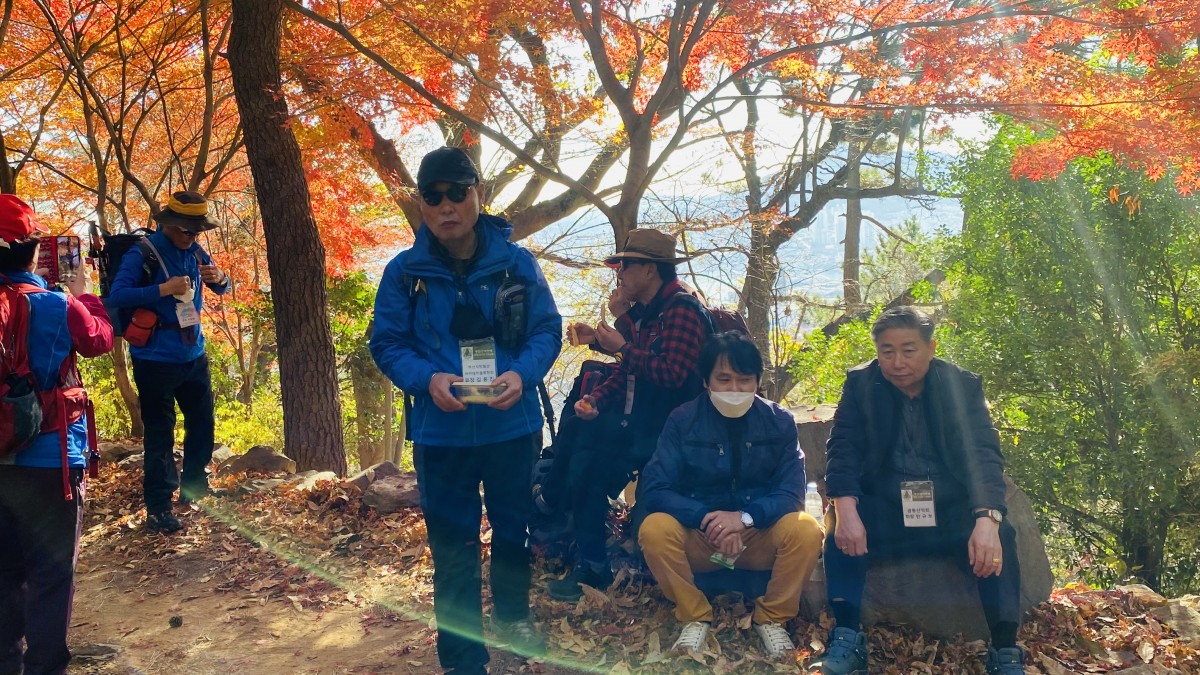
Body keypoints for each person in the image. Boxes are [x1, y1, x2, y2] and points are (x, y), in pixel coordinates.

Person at [370, 146, 562, 674]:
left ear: (479, 194)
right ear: (421, 204)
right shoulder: (404, 273)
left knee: (513, 530)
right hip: (442, 432)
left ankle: (513, 615)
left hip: (511, 424)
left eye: (458, 192)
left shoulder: (517, 265)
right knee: (453, 547)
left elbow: (547, 329)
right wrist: (427, 379)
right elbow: (386, 342)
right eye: (433, 197)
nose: (447, 206)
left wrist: (521, 374)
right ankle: (462, 658)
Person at [810, 307, 1024, 675]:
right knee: (840, 532)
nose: (898, 362)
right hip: (888, 506)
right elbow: (843, 448)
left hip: (948, 507)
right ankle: (847, 638)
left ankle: (1005, 650)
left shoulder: (961, 386)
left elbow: (983, 454)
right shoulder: (861, 385)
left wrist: (987, 518)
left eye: (908, 350)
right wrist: (845, 510)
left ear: (931, 348)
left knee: (1000, 535)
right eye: (887, 351)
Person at [637, 332, 824, 659]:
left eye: (744, 379)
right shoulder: (683, 420)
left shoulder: (779, 421)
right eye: (724, 379)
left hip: (758, 535)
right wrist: (705, 518)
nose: (734, 389)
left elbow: (791, 491)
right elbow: (655, 487)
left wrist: (745, 519)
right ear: (706, 381)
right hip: (700, 537)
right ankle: (694, 615)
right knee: (654, 529)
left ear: (758, 381)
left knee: (806, 530)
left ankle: (772, 617)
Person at [547, 228, 710, 602]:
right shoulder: (650, 313)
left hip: (673, 435)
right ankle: (591, 562)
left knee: (585, 457)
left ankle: (557, 512)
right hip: (641, 426)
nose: (619, 273)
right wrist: (596, 400)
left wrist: (621, 346)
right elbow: (628, 371)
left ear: (650, 270)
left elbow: (674, 374)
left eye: (626, 265)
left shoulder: (682, 310)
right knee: (581, 446)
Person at [0, 195, 113, 675]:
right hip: (50, 460)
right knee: (50, 572)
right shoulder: (57, 304)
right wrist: (83, 292)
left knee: (4, 572)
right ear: (33, 250)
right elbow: (100, 339)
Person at [108, 191, 230, 534]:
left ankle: (195, 486)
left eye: (198, 231)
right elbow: (118, 295)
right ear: (170, 225)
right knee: (160, 433)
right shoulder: (142, 253)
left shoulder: (195, 251)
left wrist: (220, 278)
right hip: (154, 358)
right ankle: (159, 507)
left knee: (202, 423)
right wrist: (163, 289)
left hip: (193, 353)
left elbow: (223, 288)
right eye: (188, 230)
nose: (193, 236)